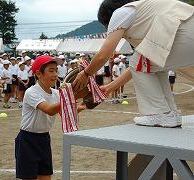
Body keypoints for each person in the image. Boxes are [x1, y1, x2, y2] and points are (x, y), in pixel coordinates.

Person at [73, 0, 194, 128]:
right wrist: (110, 87)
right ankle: (171, 113)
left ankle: (160, 113)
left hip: (184, 34)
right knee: (154, 63)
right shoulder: (145, 15)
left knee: (141, 60)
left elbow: (104, 54)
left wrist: (86, 73)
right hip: (186, 28)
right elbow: (139, 66)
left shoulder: (120, 13)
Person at [15, 55, 61, 180]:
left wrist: (85, 104)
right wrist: (69, 97)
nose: (55, 75)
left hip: (44, 140)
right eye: (51, 71)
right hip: (27, 141)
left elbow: (67, 111)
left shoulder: (56, 93)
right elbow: (50, 109)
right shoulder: (31, 92)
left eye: (56, 70)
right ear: (38, 74)